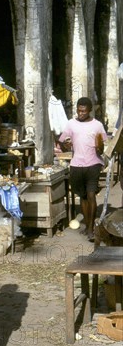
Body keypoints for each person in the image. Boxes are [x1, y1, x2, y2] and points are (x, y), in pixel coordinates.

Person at [59, 97, 107, 241]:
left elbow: (104, 144)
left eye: (84, 111)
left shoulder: (97, 125)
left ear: (90, 110)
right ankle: (87, 225)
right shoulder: (71, 124)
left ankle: (91, 228)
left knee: (91, 194)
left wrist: (100, 147)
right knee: (83, 197)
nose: (81, 114)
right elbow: (61, 141)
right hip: (76, 165)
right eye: (79, 111)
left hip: (93, 164)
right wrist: (64, 146)